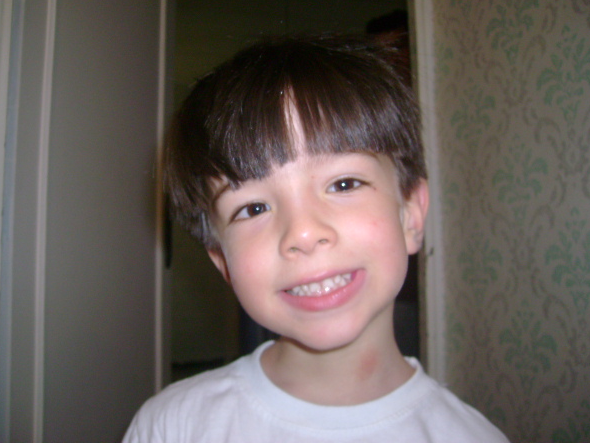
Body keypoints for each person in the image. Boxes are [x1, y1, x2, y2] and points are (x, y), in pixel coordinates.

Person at [123, 35, 509, 442]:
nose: (304, 233)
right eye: (253, 208)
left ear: (410, 214)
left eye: (344, 184)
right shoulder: (172, 427)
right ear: (223, 261)